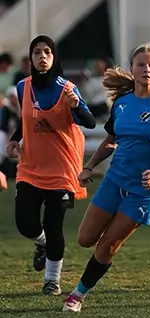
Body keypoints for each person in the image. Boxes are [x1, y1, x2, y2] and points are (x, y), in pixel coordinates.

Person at [62, 43, 150, 312]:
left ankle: (77, 295)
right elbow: (111, 139)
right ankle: (105, 244)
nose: (147, 69)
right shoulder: (121, 103)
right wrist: (90, 166)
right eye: (141, 64)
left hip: (144, 190)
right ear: (132, 68)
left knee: (107, 245)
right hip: (115, 180)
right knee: (85, 239)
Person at [6, 35, 96, 296]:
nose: (42, 56)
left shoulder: (67, 89)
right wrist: (14, 141)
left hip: (62, 170)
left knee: (54, 225)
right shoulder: (23, 87)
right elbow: (26, 122)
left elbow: (89, 123)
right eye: (37, 52)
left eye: (47, 52)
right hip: (31, 168)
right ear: (31, 59)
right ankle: (41, 243)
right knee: (25, 223)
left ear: (54, 57)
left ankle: (52, 280)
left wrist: (77, 106)